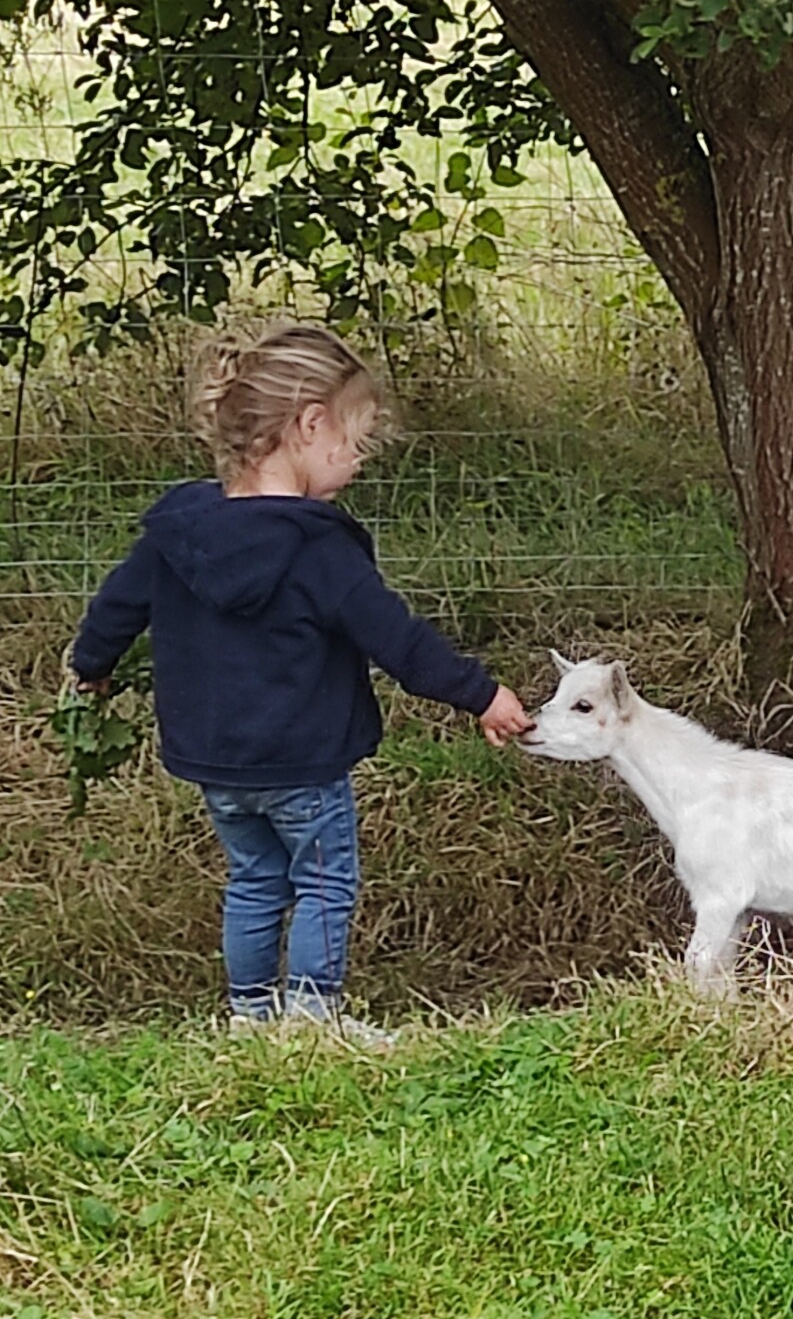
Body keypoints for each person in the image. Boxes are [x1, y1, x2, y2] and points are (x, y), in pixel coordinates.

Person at [69, 322, 533, 1046]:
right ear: (308, 425)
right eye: (354, 440)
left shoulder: (179, 531)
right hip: (305, 763)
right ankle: (314, 1019)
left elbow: (115, 609)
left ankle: (250, 1017)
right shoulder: (318, 548)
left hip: (216, 762)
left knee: (254, 876)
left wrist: (91, 668)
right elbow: (398, 639)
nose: (356, 459)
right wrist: (481, 693)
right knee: (323, 882)